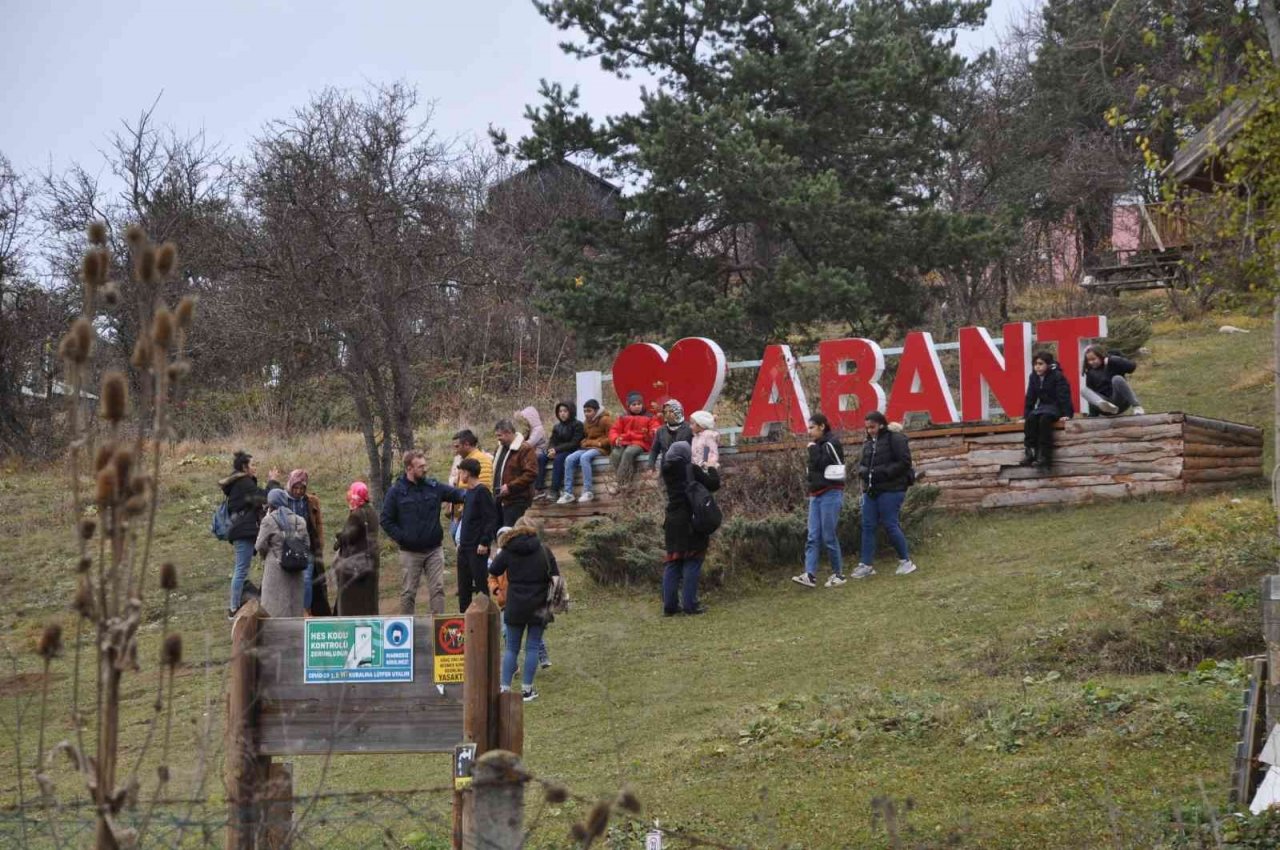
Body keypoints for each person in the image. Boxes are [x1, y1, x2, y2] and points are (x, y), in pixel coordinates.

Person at [380, 450, 467, 616]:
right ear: (409, 469)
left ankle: (438, 628)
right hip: (410, 552)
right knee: (408, 592)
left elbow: (457, 494)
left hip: (434, 550)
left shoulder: (433, 487)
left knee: (438, 589)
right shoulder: (396, 492)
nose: (425, 469)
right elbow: (385, 520)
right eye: (420, 467)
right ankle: (408, 631)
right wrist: (403, 538)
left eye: (425, 465)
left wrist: (475, 493)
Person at [487, 517, 560, 702]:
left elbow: (494, 569)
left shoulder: (509, 550)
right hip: (539, 604)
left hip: (515, 604)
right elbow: (556, 577)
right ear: (533, 529)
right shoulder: (544, 550)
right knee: (533, 646)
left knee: (511, 648)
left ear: (516, 529)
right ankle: (527, 690)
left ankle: (504, 689)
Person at [850, 411, 918, 579]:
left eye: (872, 427)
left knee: (890, 524)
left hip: (892, 488)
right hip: (871, 490)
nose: (870, 431)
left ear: (881, 424)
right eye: (867, 428)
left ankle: (906, 561)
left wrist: (883, 472)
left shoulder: (895, 439)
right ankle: (866, 565)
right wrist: (863, 473)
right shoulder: (868, 443)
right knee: (867, 526)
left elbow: (904, 462)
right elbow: (863, 465)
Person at [660, 440, 721, 616]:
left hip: (672, 520)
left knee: (673, 562)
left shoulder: (666, 469)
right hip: (690, 519)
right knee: (692, 561)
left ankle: (670, 606)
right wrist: (711, 467)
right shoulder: (690, 469)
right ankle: (690, 605)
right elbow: (713, 484)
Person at [220, 451, 281, 619]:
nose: (255, 468)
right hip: (243, 531)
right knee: (240, 569)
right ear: (244, 468)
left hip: (243, 531)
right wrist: (273, 481)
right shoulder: (244, 482)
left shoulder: (241, 482)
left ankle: (241, 601)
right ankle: (233, 608)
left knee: (242, 568)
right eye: (253, 465)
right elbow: (264, 497)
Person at [791, 413, 847, 588]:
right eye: (809, 428)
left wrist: (813, 450)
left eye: (812, 427)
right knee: (813, 536)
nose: (810, 431)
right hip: (816, 494)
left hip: (831, 492)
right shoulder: (815, 445)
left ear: (822, 426)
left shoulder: (831, 443)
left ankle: (838, 574)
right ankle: (810, 574)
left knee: (828, 536)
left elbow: (825, 464)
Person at [280, 469, 331, 616]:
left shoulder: (311, 501)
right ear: (290, 485)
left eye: (302, 488)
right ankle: (289, 611)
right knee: (289, 580)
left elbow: (319, 523)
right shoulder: (282, 499)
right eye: (295, 487)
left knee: (307, 580)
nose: (298, 491)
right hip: (288, 547)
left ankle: (306, 610)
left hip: (307, 547)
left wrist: (320, 542)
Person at [256, 488, 309, 618]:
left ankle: (277, 637)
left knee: (274, 609)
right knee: (294, 607)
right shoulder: (300, 520)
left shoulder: (268, 521)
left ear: (270, 503)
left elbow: (259, 545)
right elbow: (307, 544)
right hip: (296, 570)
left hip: (275, 570)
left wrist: (266, 554)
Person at [456, 457, 500, 612]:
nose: (460, 474)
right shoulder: (469, 492)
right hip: (464, 548)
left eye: (461, 471)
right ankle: (465, 620)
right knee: (463, 588)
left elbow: (491, 518)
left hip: (477, 548)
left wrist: (484, 541)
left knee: (481, 586)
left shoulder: (482, 491)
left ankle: (486, 618)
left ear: (467, 472)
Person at [1022, 349, 1075, 471]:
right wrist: (1025, 415)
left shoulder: (1057, 376)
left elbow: (1064, 395)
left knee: (1044, 420)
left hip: (1055, 406)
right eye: (1035, 364)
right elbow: (1030, 396)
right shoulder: (1033, 377)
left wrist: (1067, 414)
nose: (1037, 367)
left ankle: (1045, 456)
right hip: (1043, 406)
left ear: (1048, 364)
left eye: (1041, 364)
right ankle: (1030, 452)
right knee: (1031, 418)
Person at [333, 481, 380, 616]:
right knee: (369, 601)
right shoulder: (371, 512)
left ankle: (350, 632)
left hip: (354, 565)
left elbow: (347, 537)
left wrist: (338, 539)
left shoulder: (357, 515)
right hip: (370, 563)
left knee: (352, 603)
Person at [446, 429, 494, 540]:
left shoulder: (482, 459)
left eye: (457, 446)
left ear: (467, 444)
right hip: (460, 511)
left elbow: (483, 488)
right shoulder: (465, 459)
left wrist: (466, 509)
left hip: (471, 512)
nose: (455, 450)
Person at [562, 399, 612, 503]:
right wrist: (584, 442)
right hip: (588, 447)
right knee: (569, 458)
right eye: (585, 411)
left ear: (596, 411)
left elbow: (611, 437)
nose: (586, 414)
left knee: (584, 458)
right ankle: (568, 493)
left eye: (589, 411)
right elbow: (585, 437)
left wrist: (597, 443)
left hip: (601, 448)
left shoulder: (605, 420)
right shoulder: (586, 422)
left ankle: (588, 491)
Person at [493, 419, 539, 525]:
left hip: (517, 501)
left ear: (509, 432)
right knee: (499, 533)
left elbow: (531, 473)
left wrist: (510, 487)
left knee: (511, 535)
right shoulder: (499, 449)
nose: (498, 439)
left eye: (500, 435)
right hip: (499, 500)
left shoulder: (525, 449)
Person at [1082, 344, 1144, 416]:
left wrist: (1112, 359)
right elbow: (1092, 396)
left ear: (1101, 356)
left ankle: (1137, 406)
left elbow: (1132, 367)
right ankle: (1108, 407)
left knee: (1117, 378)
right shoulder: (1090, 373)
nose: (1091, 362)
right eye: (1089, 360)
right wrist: (1092, 416)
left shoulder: (1112, 362)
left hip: (1120, 401)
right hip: (1106, 406)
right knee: (1084, 390)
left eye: (1093, 359)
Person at [609, 392, 656, 487]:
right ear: (629, 406)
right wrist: (615, 438)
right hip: (625, 441)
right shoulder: (623, 417)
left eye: (639, 404)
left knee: (629, 452)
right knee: (615, 453)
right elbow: (614, 430)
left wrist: (652, 432)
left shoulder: (649, 417)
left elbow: (655, 428)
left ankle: (622, 482)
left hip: (641, 442)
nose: (637, 406)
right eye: (633, 404)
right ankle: (620, 479)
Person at [543, 401, 585, 504]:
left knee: (559, 459)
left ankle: (554, 490)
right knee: (540, 458)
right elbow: (552, 440)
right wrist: (550, 450)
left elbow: (574, 443)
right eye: (560, 411)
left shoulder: (578, 424)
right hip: (558, 450)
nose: (562, 413)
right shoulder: (557, 427)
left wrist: (556, 450)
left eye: (565, 411)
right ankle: (539, 488)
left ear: (571, 411)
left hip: (571, 451)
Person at [648, 399, 694, 471]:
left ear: (679, 412)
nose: (667, 414)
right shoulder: (661, 430)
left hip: (685, 470)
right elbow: (654, 450)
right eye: (665, 412)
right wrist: (651, 466)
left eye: (671, 411)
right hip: (666, 471)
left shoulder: (690, 428)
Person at [515, 406, 549, 499]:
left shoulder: (538, 430)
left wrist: (518, 444)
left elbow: (529, 444)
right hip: (533, 452)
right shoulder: (530, 430)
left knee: (530, 461)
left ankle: (538, 489)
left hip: (540, 452)